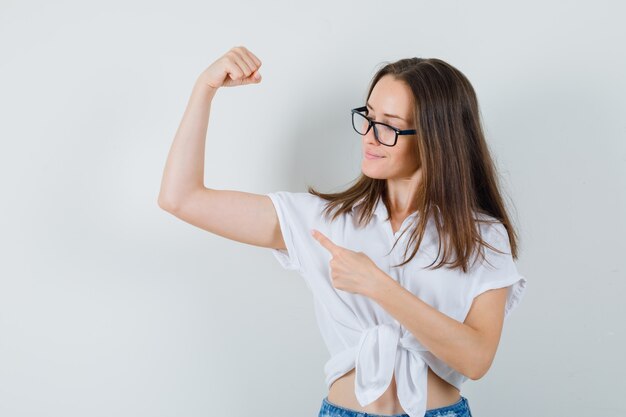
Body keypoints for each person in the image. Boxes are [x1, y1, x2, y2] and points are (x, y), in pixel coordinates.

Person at [158, 46, 527, 417]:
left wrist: (377, 285)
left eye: (389, 125)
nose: (369, 135)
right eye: (367, 117)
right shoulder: (325, 220)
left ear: (436, 138)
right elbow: (181, 198)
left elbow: (476, 359)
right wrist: (204, 88)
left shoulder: (480, 235)